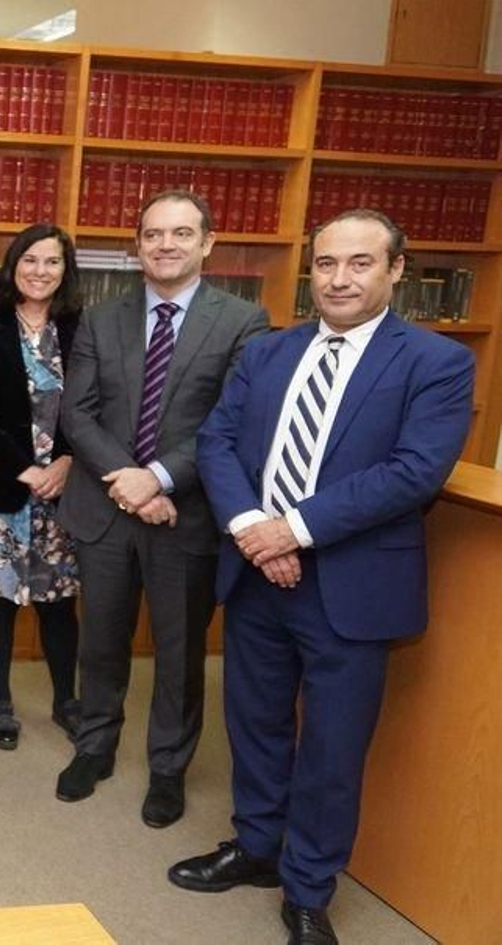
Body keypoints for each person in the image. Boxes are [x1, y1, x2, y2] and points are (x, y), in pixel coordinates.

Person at [170, 210, 474, 945]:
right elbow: (216, 441)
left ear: (396, 270)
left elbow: (412, 472)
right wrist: (252, 530)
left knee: (333, 748)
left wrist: (294, 529)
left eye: (360, 263)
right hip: (255, 574)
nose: (339, 278)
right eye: (327, 263)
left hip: (349, 584)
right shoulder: (269, 352)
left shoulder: (435, 363)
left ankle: (308, 889)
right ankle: (256, 847)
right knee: (255, 724)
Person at [55, 189, 268, 828]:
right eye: (152, 234)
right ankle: (94, 745)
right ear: (137, 245)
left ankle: (168, 768)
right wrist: (128, 482)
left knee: (178, 652)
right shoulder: (101, 317)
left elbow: (230, 423)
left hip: (188, 513)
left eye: (180, 234)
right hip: (105, 507)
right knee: (102, 639)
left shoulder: (243, 321)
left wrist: (157, 478)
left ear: (207, 243)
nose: (165, 245)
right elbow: (77, 411)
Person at [0, 223, 82, 750]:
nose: (40, 271)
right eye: (30, 261)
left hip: (66, 490)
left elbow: (97, 404)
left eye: (51, 262)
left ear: (65, 271)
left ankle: (66, 701)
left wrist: (68, 461)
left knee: (59, 602)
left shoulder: (82, 329)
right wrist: (24, 470)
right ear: (13, 266)